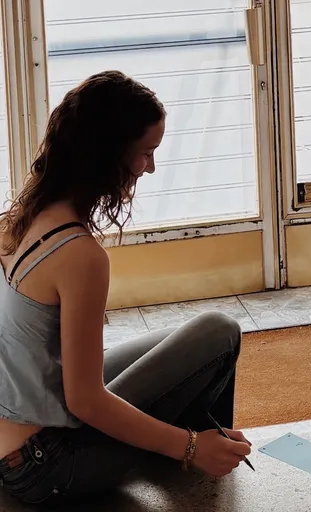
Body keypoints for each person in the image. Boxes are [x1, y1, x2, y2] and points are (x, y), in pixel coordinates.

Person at [0, 71, 252, 507]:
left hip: (18, 442)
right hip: (47, 464)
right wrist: (188, 447)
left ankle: (199, 442)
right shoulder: (79, 254)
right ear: (108, 155)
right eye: (146, 153)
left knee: (184, 341)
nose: (150, 168)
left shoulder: (15, 222)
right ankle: (200, 450)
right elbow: (86, 402)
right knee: (219, 333)